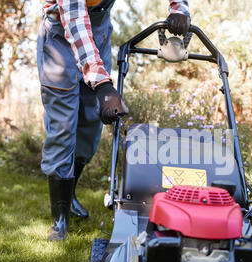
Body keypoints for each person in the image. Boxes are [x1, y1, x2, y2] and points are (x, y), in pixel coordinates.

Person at [37, 0, 191, 241]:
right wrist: (103, 86)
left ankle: (70, 194)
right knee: (63, 128)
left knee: (90, 124)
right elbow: (75, 22)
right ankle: (60, 220)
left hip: (98, 35)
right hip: (61, 39)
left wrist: (179, 8)